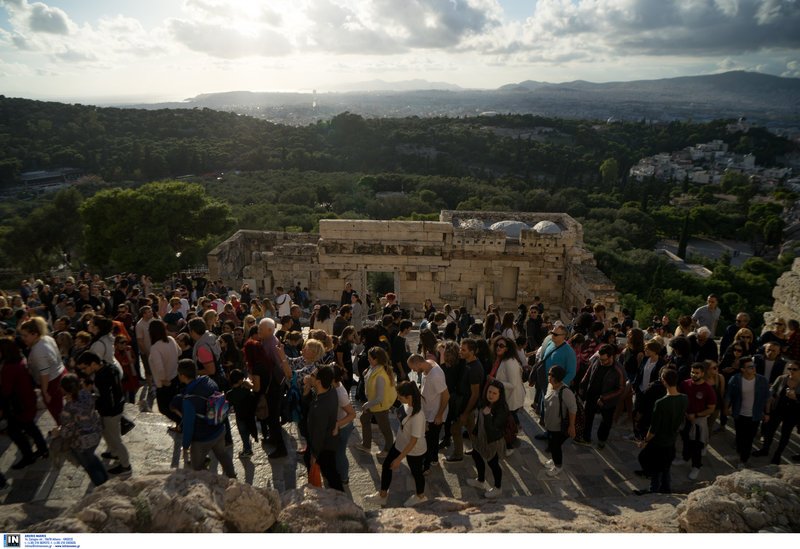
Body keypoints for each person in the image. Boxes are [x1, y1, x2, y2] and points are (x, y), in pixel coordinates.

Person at [365, 381, 427, 507]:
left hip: (415, 450)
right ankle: (382, 495)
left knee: (416, 473)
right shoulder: (406, 405)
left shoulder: (417, 416)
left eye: (400, 396)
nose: (398, 398)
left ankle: (420, 496)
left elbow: (413, 441)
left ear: (408, 397)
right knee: (386, 465)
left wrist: (399, 459)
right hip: (400, 443)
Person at [177, 358, 236, 478]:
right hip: (219, 430)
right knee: (223, 454)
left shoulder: (189, 399)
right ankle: (232, 477)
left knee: (197, 468)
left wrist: (186, 445)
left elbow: (189, 425)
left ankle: (204, 486)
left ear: (183, 376)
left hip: (202, 439)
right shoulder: (209, 381)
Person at [75, 351, 132, 476]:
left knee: (116, 438)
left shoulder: (102, 377)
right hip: (114, 408)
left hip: (111, 412)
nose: (84, 371)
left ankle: (126, 466)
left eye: (85, 368)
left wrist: (94, 400)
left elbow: (107, 399)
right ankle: (115, 453)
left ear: (94, 364)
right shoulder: (109, 367)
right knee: (107, 433)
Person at [633, 368, 688, 495]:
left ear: (664, 381)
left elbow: (654, 427)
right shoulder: (684, 398)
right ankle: (666, 488)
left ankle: (654, 490)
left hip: (659, 441)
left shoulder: (661, 403)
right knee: (666, 466)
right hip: (671, 438)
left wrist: (645, 441)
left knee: (652, 463)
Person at [0, 337, 48, 469]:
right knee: (30, 426)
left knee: (15, 431)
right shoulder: (20, 360)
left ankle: (28, 456)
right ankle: (42, 449)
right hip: (27, 399)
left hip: (19, 404)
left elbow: (6, 390)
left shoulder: (9, 367)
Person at [56, 373, 108, 487]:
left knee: (89, 466)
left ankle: (102, 488)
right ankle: (106, 480)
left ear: (65, 390)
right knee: (92, 458)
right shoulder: (86, 393)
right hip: (96, 433)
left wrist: (59, 431)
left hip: (82, 442)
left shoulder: (69, 408)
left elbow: (68, 431)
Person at [465, 379, 508, 499]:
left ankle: (498, 488)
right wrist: (474, 434)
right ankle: (480, 480)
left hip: (493, 441)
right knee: (476, 456)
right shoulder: (484, 402)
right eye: (490, 392)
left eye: (495, 393)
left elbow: (493, 430)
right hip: (480, 438)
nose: (491, 395)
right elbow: (478, 420)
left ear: (500, 395)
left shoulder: (502, 409)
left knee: (493, 464)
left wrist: (488, 416)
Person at [576, 344, 624, 449]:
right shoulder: (597, 360)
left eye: (604, 360)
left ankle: (602, 440)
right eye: (601, 359)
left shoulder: (618, 370)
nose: (602, 362)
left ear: (612, 357)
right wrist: (582, 386)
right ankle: (586, 437)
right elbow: (588, 374)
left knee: (606, 421)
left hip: (607, 401)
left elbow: (620, 389)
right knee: (587, 417)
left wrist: (604, 398)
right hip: (591, 396)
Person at [18, 317, 66, 425]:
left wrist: (45, 392)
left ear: (34, 334)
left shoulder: (38, 350)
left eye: (25, 335)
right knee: (61, 409)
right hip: (60, 374)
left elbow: (44, 374)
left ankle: (65, 431)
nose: (23, 338)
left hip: (51, 383)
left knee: (57, 411)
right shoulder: (46, 338)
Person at [725, 355, 770, 469]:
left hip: (754, 415)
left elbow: (767, 398)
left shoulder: (762, 380)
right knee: (739, 437)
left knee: (749, 439)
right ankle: (739, 455)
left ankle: (743, 460)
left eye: (754, 365)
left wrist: (767, 413)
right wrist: (726, 408)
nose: (753, 368)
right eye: (750, 366)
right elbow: (728, 396)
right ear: (742, 369)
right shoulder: (735, 379)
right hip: (739, 413)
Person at [303, 364, 343, 490]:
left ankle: (341, 498)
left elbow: (319, 433)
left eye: (313, 375)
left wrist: (314, 455)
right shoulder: (330, 390)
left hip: (324, 446)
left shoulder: (321, 406)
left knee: (330, 474)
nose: (310, 376)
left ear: (319, 382)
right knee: (330, 471)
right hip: (327, 440)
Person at [407, 354, 449, 472]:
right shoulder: (428, 363)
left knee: (429, 440)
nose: (413, 371)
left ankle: (427, 466)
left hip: (435, 414)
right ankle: (434, 459)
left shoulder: (435, 375)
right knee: (433, 439)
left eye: (413, 368)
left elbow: (446, 396)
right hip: (429, 411)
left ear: (419, 364)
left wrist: (439, 415)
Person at [754, 361, 800, 464]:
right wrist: (770, 399)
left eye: (794, 369)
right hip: (778, 409)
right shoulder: (782, 378)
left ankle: (778, 454)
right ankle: (764, 450)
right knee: (769, 431)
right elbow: (772, 390)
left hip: (793, 413)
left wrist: (796, 397)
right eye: (789, 369)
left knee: (785, 434)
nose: (791, 371)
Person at [356, 347, 397, 458]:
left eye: (370, 358)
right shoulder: (374, 367)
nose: (368, 360)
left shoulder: (380, 376)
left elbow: (379, 398)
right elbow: (368, 374)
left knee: (385, 429)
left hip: (379, 405)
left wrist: (366, 404)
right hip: (373, 403)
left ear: (377, 359)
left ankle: (388, 450)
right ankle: (366, 445)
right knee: (364, 419)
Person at [678, 362, 717, 481]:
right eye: (692, 372)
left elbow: (711, 408)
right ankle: (685, 458)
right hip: (686, 419)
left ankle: (696, 466)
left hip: (698, 422)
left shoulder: (708, 389)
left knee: (697, 445)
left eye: (697, 373)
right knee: (685, 440)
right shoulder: (685, 384)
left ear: (702, 373)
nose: (694, 374)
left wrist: (696, 414)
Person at [487, 335, 525, 453]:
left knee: (506, 425)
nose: (498, 347)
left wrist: (494, 381)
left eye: (501, 345)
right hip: (505, 397)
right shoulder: (501, 359)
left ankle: (509, 446)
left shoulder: (509, 362)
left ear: (507, 348)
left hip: (510, 398)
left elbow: (512, 384)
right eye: (497, 345)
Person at [542, 365, 576, 477]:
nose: (549, 377)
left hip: (559, 426)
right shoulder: (550, 386)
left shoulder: (565, 392)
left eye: (551, 375)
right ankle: (554, 459)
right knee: (552, 444)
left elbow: (573, 409)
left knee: (555, 446)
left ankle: (558, 466)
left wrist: (572, 426)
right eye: (549, 374)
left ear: (558, 377)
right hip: (550, 424)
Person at [147, 319, 181, 428]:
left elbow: (160, 369)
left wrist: (163, 380)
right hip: (175, 377)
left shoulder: (155, 348)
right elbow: (179, 351)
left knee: (163, 407)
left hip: (165, 383)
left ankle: (181, 423)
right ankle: (180, 424)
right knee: (174, 405)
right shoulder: (171, 339)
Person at [332, 365, 357, 484]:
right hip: (340, 426)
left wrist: (337, 424)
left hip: (343, 427)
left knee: (340, 453)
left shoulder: (340, 394)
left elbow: (352, 414)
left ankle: (344, 477)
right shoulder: (335, 386)